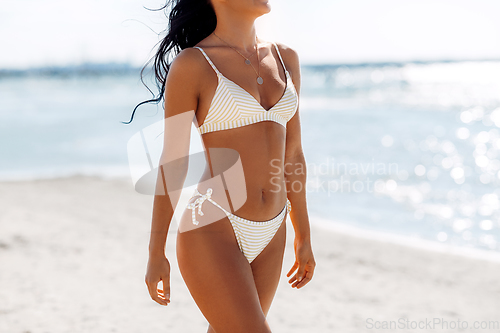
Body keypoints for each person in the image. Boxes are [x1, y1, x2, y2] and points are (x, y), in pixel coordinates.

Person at [129, 0, 316, 332]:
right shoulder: (193, 64)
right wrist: (156, 250)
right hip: (213, 225)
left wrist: (303, 234)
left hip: (273, 231)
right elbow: (173, 162)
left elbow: (294, 155)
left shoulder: (286, 59)